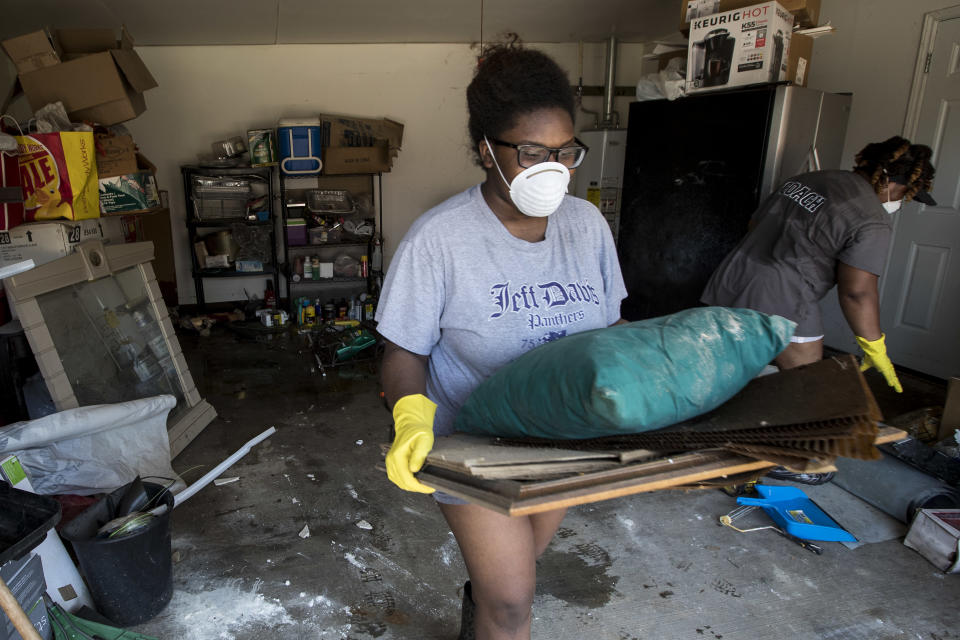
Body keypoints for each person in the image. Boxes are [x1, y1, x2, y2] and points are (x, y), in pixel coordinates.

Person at [375, 42, 627, 640]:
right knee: (514, 603)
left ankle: (479, 608)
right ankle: (491, 609)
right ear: (486, 151)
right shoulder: (439, 239)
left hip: (564, 436)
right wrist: (411, 420)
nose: (554, 169)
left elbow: (612, 331)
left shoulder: (587, 225)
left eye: (566, 151)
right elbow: (403, 351)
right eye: (533, 152)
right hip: (473, 444)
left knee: (518, 571)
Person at [701, 136, 936, 389]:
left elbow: (755, 225)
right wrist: (874, 345)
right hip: (785, 302)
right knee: (807, 389)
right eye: (906, 194)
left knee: (724, 374)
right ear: (892, 183)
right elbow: (857, 292)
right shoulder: (872, 219)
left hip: (730, 280)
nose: (903, 202)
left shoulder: (806, 180)